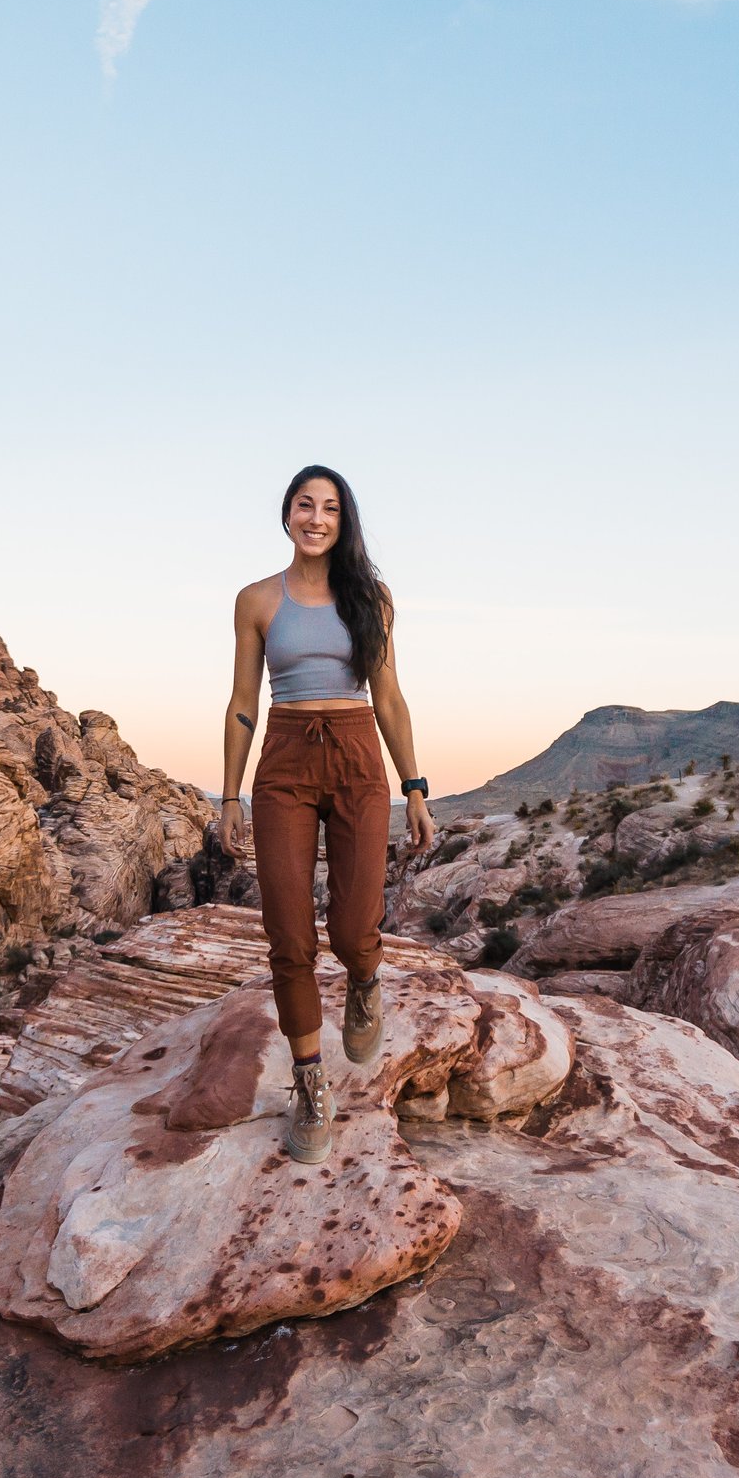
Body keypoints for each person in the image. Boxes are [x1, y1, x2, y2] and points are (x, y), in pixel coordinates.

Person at [220, 466, 437, 1163]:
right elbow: (243, 702)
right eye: (305, 505)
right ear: (286, 514)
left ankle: (366, 978)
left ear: (345, 521)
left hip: (354, 752)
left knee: (352, 923)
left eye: (330, 508)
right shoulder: (256, 599)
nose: (316, 517)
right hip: (283, 759)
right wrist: (231, 796)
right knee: (288, 930)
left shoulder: (370, 597)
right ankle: (310, 1082)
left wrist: (415, 785)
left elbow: (391, 697)